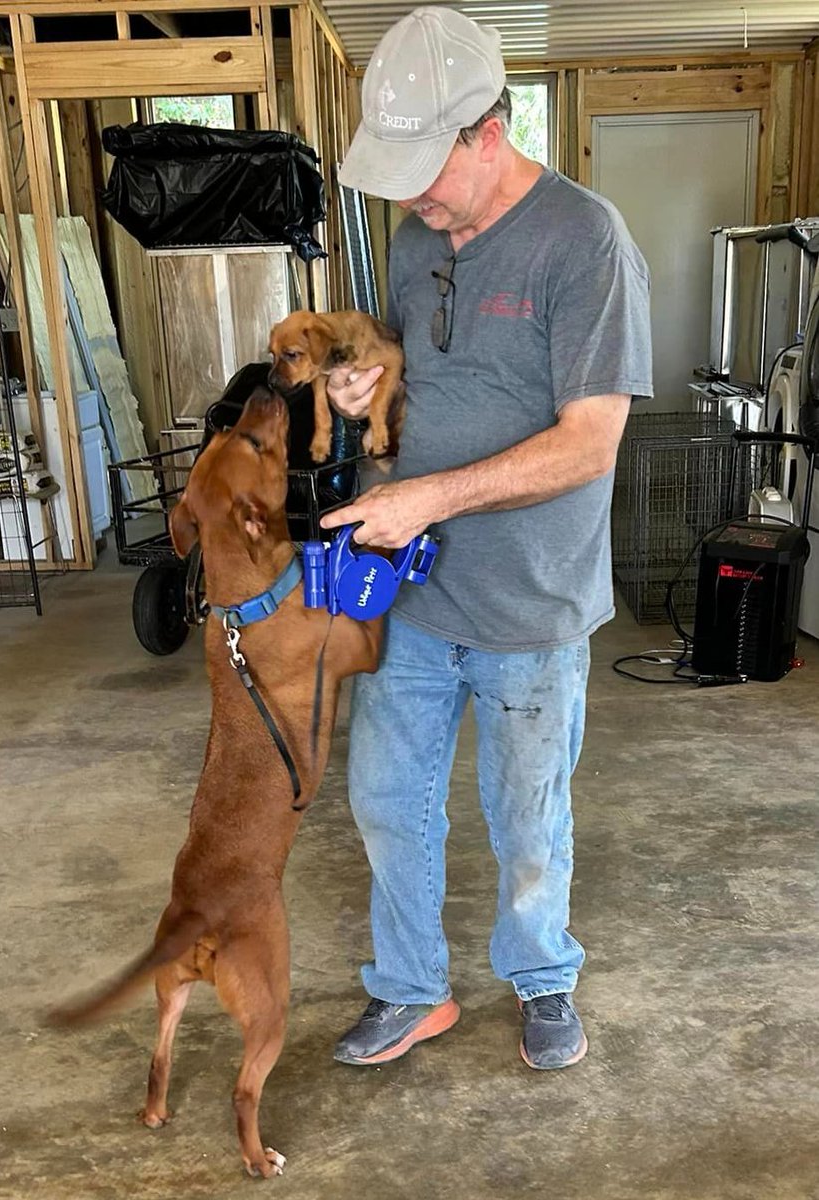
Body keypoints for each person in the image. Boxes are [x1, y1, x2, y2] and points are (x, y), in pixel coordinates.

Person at [320, 6, 653, 1070]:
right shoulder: (415, 237)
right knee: (385, 802)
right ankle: (412, 989)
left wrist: (430, 500)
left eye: (429, 164)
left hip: (530, 600)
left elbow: (589, 443)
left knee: (527, 815)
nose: (414, 192)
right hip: (415, 589)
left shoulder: (584, 238)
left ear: (488, 131)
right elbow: (403, 366)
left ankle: (543, 975)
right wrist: (358, 384)